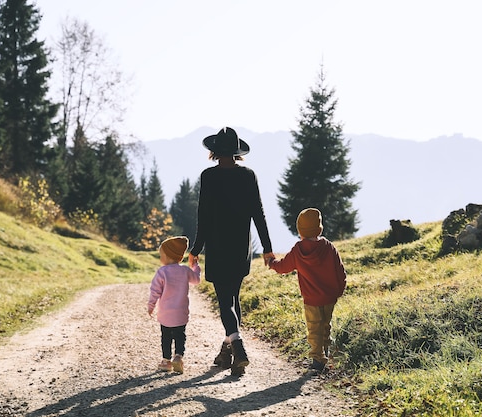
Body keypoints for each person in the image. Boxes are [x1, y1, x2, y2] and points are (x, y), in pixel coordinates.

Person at [188, 126, 274, 376]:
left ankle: (237, 346)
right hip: (240, 248)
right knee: (233, 299)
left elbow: (202, 216)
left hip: (217, 247)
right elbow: (258, 213)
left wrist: (196, 249)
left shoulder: (209, 176)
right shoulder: (248, 176)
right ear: (237, 152)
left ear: (214, 151)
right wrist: (267, 249)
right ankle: (227, 355)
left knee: (225, 302)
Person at [267, 208, 346, 373]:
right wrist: (339, 290)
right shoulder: (329, 247)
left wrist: (272, 262)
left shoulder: (298, 250)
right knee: (326, 325)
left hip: (311, 299)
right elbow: (340, 271)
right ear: (319, 228)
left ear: (300, 231)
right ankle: (325, 353)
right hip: (329, 297)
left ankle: (318, 359)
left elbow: (283, 267)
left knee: (314, 328)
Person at [148, 236, 201, 374]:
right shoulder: (185, 271)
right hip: (181, 313)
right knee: (180, 335)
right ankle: (178, 357)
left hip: (165, 313)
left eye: (161, 255)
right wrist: (195, 267)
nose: (160, 258)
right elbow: (196, 280)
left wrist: (151, 305)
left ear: (167, 256)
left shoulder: (162, 272)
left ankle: (166, 361)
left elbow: (155, 291)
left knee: (166, 337)